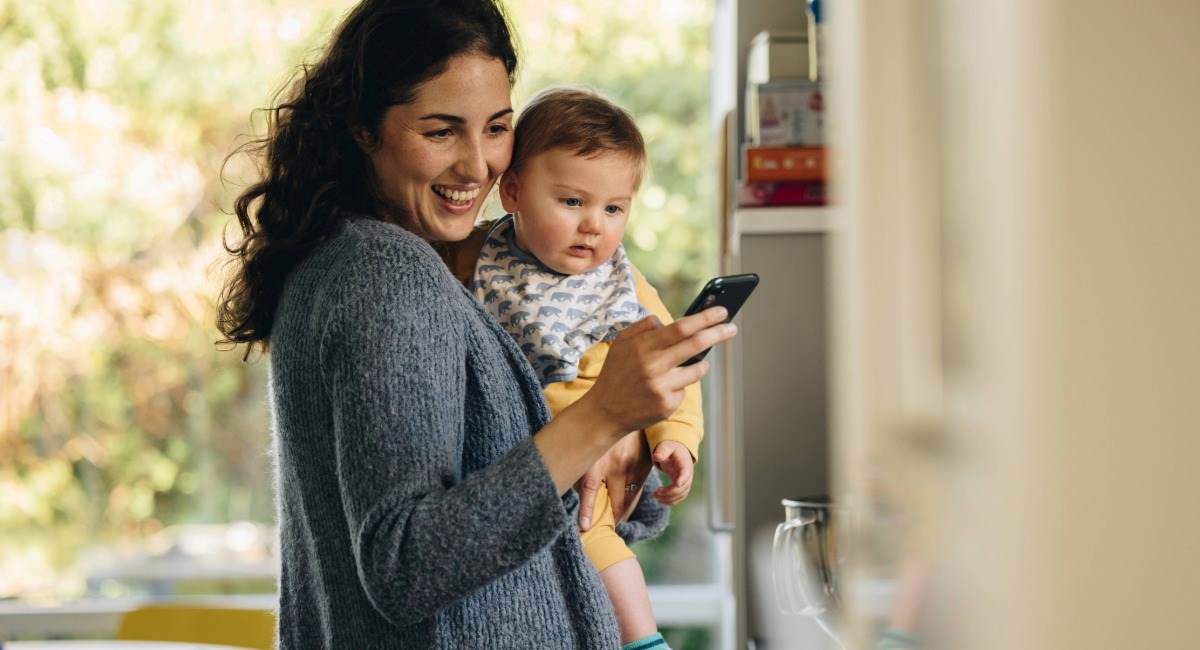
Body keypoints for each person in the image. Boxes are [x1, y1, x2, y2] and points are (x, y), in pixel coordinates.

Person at [214, 0, 736, 647]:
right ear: (364, 128)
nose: (478, 166)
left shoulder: (367, 260)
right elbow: (406, 563)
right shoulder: (387, 273)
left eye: (496, 128)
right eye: (441, 132)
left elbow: (534, 524)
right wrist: (599, 416)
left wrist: (613, 436)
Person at [445, 87, 702, 648]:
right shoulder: (475, 256)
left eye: (613, 209)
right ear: (511, 191)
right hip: (511, 469)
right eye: (571, 202)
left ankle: (643, 639)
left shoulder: (622, 289)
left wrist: (676, 441)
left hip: (582, 470)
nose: (594, 225)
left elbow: (670, 367)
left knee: (596, 542)